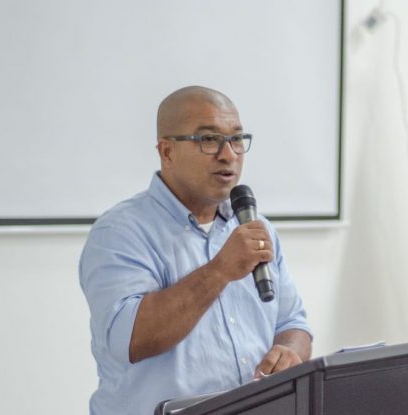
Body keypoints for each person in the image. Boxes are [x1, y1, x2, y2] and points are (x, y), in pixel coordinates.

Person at [79, 86, 312, 415]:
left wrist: (290, 353)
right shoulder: (119, 233)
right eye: (208, 139)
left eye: (237, 139)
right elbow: (130, 339)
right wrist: (219, 270)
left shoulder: (256, 226)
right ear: (167, 152)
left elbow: (293, 323)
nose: (228, 154)